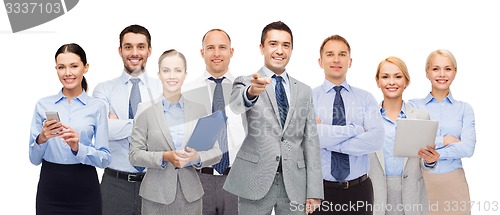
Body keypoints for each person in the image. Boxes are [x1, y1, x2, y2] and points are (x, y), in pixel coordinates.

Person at [223, 21, 323, 215]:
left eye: (286, 45)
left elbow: (311, 141)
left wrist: (315, 190)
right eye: (273, 44)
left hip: (294, 183)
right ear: (262, 48)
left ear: (292, 49)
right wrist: (251, 93)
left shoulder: (304, 90)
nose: (280, 50)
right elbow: (235, 106)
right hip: (255, 180)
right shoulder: (246, 81)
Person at [129, 49, 222, 215]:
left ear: (185, 74)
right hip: (155, 197)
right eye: (166, 70)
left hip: (190, 197)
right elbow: (135, 155)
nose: (172, 76)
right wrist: (164, 156)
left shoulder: (199, 109)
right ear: (159, 74)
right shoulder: (145, 109)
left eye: (178, 70)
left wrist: (197, 158)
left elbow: (216, 152)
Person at [29, 43, 111, 215]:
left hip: (85, 189)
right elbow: (34, 159)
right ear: (56, 69)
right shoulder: (43, 105)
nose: (67, 73)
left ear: (85, 67)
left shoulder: (97, 106)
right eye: (61, 67)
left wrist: (78, 147)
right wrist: (42, 138)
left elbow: (104, 159)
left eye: (74, 66)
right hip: (49, 189)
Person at [93, 24, 162, 215]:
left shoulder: (164, 89)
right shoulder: (103, 89)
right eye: (128, 46)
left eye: (141, 47)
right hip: (114, 185)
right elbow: (101, 130)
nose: (134, 53)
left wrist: (117, 123)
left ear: (149, 50)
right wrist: (149, 124)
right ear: (120, 50)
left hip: (156, 185)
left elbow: (169, 136)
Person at [311, 34, 384, 215]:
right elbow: (310, 138)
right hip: (319, 192)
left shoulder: (366, 98)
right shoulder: (307, 98)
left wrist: (327, 140)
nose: (336, 59)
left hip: (359, 190)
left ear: (350, 61)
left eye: (342, 54)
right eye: (330, 54)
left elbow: (377, 139)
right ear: (320, 61)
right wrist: (356, 130)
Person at [182, 29, 244, 215]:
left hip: (237, 181)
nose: (216, 53)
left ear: (231, 52)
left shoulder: (245, 91)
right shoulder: (186, 92)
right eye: (210, 48)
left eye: (222, 47)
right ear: (202, 53)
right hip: (199, 181)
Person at [369, 56, 440, 215]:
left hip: (411, 197)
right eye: (385, 77)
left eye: (398, 76)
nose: (391, 82)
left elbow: (424, 162)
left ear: (406, 82)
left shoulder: (421, 117)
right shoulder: (366, 119)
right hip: (376, 197)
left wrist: (430, 161)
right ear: (378, 81)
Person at [408, 49, 476, 215]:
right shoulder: (414, 106)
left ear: (455, 72)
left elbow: (468, 148)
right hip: (421, 181)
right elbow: (410, 143)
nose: (442, 74)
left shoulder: (464, 109)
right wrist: (445, 140)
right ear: (427, 73)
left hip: (454, 183)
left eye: (447, 68)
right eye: (436, 68)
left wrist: (434, 152)